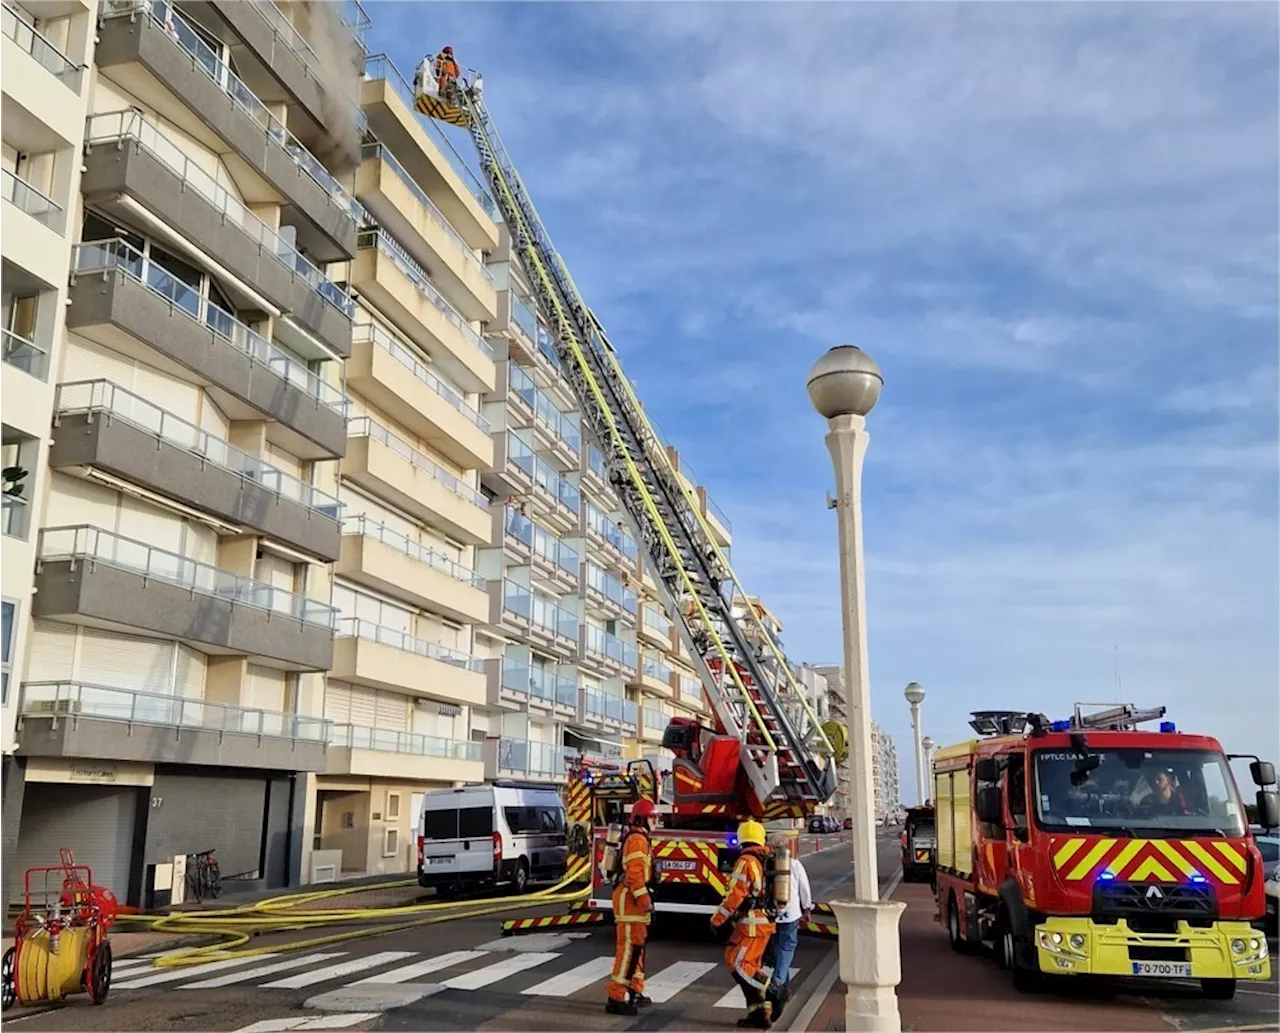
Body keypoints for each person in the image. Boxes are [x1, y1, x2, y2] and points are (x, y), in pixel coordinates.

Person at [711, 820, 777, 1029]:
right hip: (762, 923)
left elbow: (735, 895)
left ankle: (775, 990)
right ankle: (759, 1014)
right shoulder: (765, 859)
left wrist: (717, 920)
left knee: (738, 964)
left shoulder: (746, 861)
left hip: (751, 925)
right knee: (750, 966)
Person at [605, 798, 655, 1016]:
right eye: (653, 817)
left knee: (636, 950)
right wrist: (645, 901)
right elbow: (634, 875)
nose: (656, 821)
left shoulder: (641, 838)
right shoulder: (637, 840)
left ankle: (634, 990)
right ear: (643, 818)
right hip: (630, 904)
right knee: (627, 951)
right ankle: (615, 997)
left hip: (633, 905)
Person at [769, 838, 811, 995]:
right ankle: (778, 981)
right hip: (791, 912)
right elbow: (804, 887)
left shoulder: (766, 864)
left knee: (777, 949)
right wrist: (807, 908)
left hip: (771, 913)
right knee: (786, 947)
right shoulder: (794, 864)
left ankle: (783, 990)